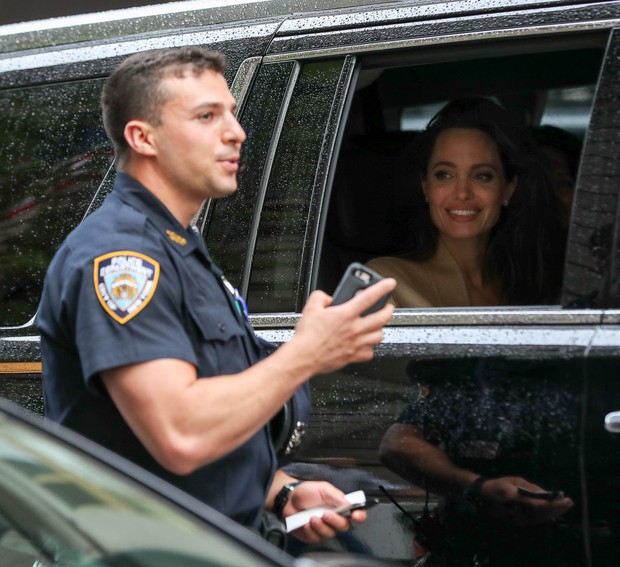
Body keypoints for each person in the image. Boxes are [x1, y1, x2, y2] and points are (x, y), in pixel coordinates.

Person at [36, 47, 395, 545]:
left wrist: (283, 493)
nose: (236, 132)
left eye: (231, 112)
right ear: (143, 137)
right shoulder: (122, 258)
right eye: (207, 116)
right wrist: (307, 353)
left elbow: (210, 420)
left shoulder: (178, 247)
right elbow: (180, 434)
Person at [379, 358, 582, 566]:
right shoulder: (465, 387)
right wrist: (477, 488)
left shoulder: (579, 376)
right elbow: (396, 445)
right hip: (474, 545)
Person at [367, 97, 565, 308]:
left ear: (508, 189)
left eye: (482, 176)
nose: (462, 193)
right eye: (444, 175)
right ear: (425, 186)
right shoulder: (384, 283)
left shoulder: (532, 283)